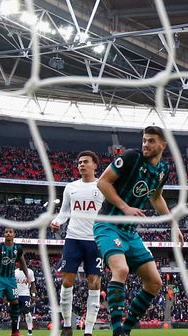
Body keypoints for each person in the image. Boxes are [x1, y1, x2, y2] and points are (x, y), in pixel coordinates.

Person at [93, 126, 184, 336]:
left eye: (151, 141)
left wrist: (172, 224)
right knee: (121, 270)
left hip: (130, 232)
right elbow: (103, 182)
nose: (145, 144)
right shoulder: (131, 157)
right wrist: (125, 207)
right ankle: (116, 331)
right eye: (144, 140)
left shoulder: (163, 170)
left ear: (163, 145)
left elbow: (156, 197)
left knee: (155, 282)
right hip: (108, 224)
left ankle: (126, 330)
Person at [50, 151, 105, 336]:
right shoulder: (71, 187)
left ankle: (88, 331)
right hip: (73, 238)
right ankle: (67, 326)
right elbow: (64, 211)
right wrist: (57, 221)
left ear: (95, 165)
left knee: (94, 282)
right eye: (79, 162)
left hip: (96, 240)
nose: (81, 165)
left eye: (86, 162)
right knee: (67, 281)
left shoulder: (104, 185)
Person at [0, 227, 34, 336]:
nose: (8, 233)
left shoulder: (18, 249)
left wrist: (28, 276)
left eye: (10, 232)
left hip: (11, 279)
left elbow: (23, 262)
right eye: (6, 232)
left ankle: (15, 331)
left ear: (14, 234)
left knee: (15, 303)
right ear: (4, 234)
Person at [14, 267, 38, 336]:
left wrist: (33, 294)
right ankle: (16, 331)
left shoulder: (30, 271)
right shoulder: (15, 272)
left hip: (25, 294)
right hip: (16, 294)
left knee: (26, 312)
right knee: (16, 313)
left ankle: (30, 331)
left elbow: (33, 284)